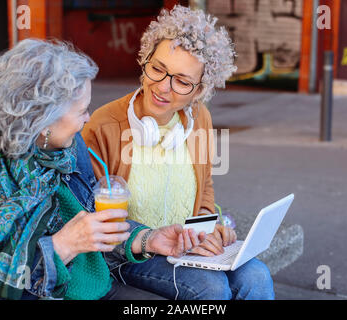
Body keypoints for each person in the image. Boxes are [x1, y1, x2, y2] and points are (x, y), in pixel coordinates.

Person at [0, 38, 205, 300]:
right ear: (43, 119)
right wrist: (63, 245)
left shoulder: (68, 146)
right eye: (82, 110)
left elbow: (95, 219)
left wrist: (146, 239)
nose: (87, 118)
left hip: (91, 286)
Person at [82, 5, 275, 300]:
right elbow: (89, 210)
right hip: (129, 255)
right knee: (210, 287)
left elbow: (205, 190)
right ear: (144, 59)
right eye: (157, 69)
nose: (162, 87)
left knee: (256, 275)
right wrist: (150, 239)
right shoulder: (104, 124)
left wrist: (209, 232)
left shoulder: (199, 118)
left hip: (185, 249)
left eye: (182, 82)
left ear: (199, 91)